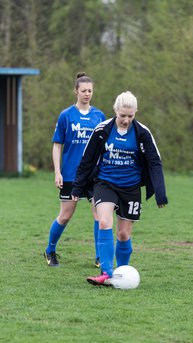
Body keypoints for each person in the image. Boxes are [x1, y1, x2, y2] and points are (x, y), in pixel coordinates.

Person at [71, 91, 168, 286]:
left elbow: (154, 162)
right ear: (115, 110)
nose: (125, 120)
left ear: (135, 113)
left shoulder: (142, 133)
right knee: (104, 222)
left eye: (130, 116)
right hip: (105, 183)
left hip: (131, 187)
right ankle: (106, 272)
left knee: (123, 234)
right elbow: (87, 160)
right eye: (122, 115)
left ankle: (122, 274)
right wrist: (77, 188)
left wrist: (160, 193)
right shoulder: (102, 130)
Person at [44, 72, 106, 267]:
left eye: (90, 91)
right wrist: (57, 172)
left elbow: (104, 146)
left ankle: (100, 257)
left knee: (99, 215)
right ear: (76, 91)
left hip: (94, 174)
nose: (87, 94)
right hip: (71, 173)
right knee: (65, 215)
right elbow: (57, 145)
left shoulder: (99, 116)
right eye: (84, 90)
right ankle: (50, 250)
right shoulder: (66, 115)